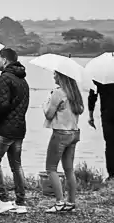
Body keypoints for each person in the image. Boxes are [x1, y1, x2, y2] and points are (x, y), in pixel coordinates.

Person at [0, 47, 30, 215]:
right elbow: (19, 105)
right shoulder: (23, 80)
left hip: (3, 129)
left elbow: (3, 106)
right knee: (16, 165)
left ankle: (4, 199)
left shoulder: (4, 78)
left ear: (4, 60)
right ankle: (21, 202)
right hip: (19, 129)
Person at [43, 71, 84, 212]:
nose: (53, 76)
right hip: (74, 133)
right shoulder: (75, 93)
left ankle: (59, 202)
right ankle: (71, 202)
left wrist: (46, 103)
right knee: (69, 169)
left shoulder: (58, 93)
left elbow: (49, 114)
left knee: (51, 168)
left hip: (60, 133)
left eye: (55, 74)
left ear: (62, 76)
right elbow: (80, 110)